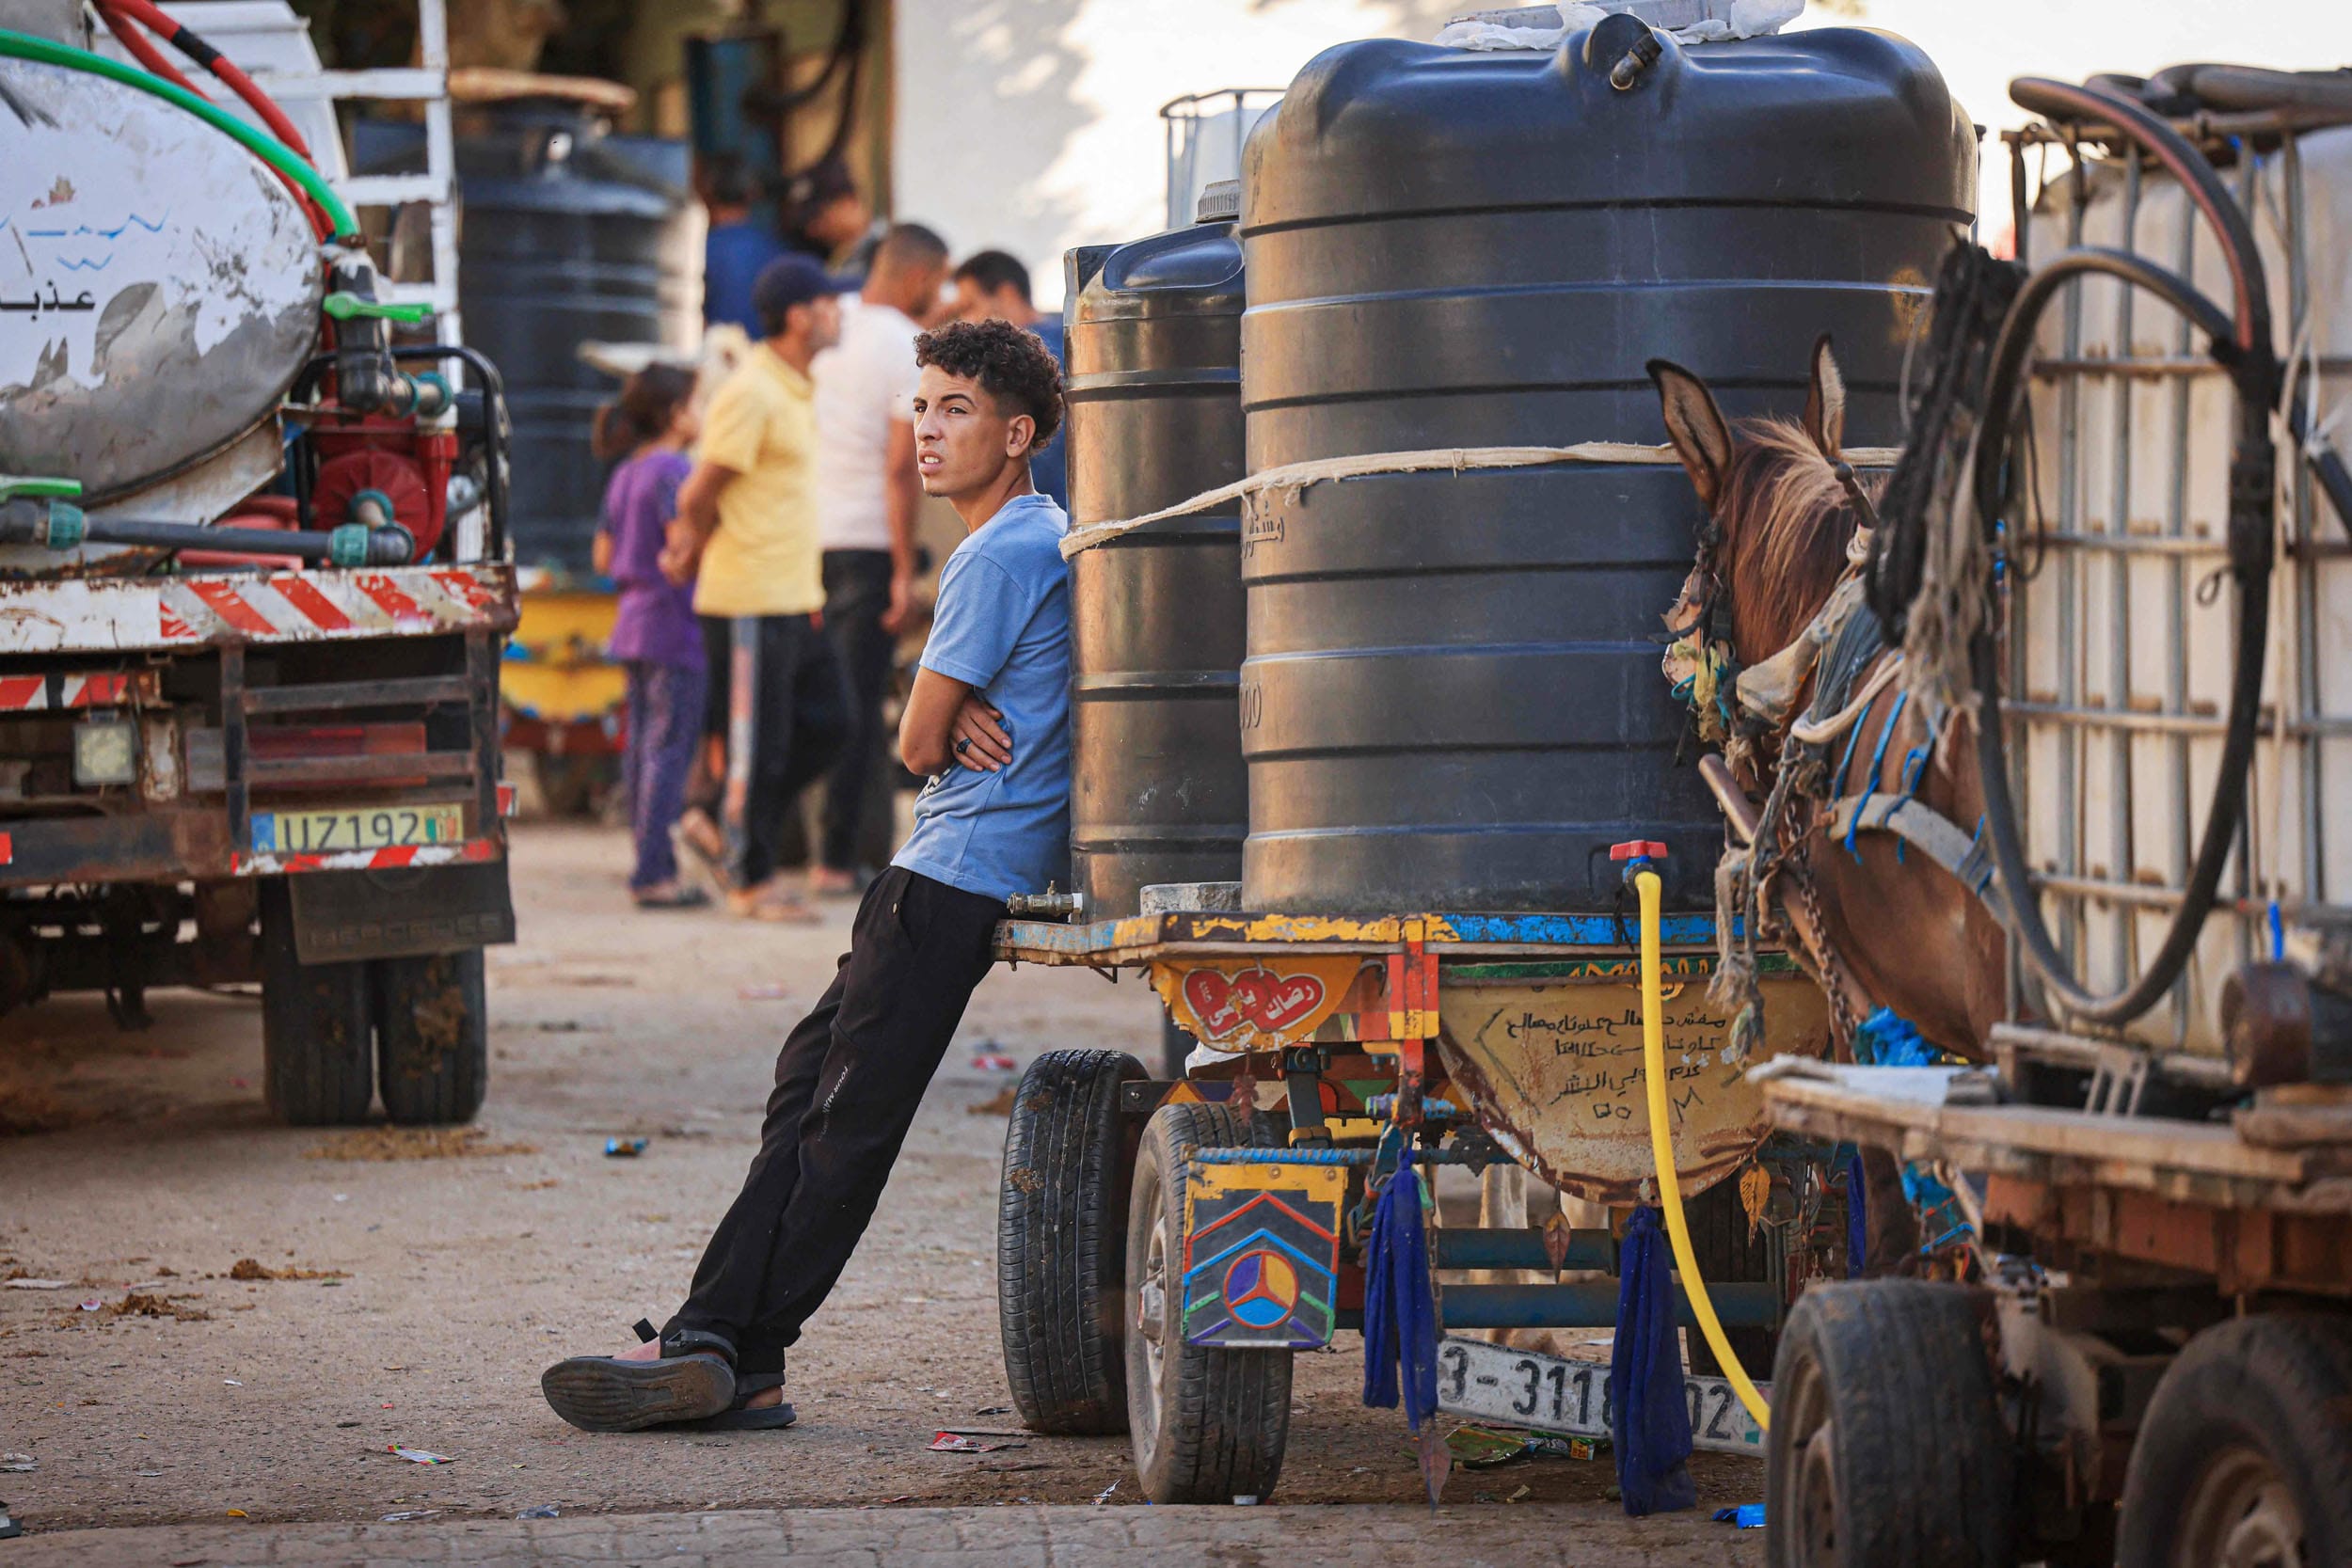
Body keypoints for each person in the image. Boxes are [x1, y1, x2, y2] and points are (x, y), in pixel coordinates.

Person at [540, 319, 1070, 1433]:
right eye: (920, 405)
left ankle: (732, 1345)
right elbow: (934, 722)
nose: (925, 429)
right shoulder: (1032, 541)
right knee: (807, 1090)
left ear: (1018, 433)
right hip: (936, 875)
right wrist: (946, 704)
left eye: (955, 409)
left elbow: (916, 745)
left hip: (950, 876)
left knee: (842, 1123)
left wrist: (942, 706)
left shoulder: (998, 550)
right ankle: (720, 1340)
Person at [662, 255, 855, 924]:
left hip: (796, 596)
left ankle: (713, 819)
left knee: (834, 725)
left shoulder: (795, 386)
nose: (839, 314)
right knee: (758, 747)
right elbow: (700, 487)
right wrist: (687, 542)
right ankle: (747, 877)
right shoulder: (751, 391)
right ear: (800, 316)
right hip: (748, 597)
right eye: (830, 303)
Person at [808, 223, 951, 897]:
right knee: (859, 709)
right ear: (920, 277)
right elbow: (901, 467)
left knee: (818, 699)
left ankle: (830, 851)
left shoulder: (829, 331)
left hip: (810, 540)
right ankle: (843, 859)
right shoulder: (901, 345)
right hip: (866, 541)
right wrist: (902, 569)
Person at [591, 364, 708, 910]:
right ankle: (654, 873)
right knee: (668, 750)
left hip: (632, 620)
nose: (703, 412)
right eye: (695, 402)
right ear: (673, 413)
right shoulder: (673, 470)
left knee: (642, 748)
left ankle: (646, 861)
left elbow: (602, 556)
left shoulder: (626, 472)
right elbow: (679, 543)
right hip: (673, 623)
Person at [950, 250, 1065, 508]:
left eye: (969, 307)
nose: (965, 322)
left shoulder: (1017, 362)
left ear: (1007, 294)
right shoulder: (1075, 340)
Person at [701, 157, 787, 341]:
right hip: (767, 361)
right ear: (751, 195)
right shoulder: (775, 249)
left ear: (707, 194)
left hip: (720, 360)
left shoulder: (700, 251)